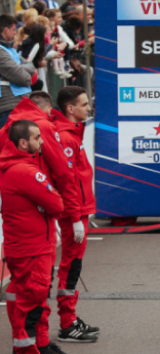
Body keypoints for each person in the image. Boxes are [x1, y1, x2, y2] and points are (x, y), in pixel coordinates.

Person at [0, 119, 67, 354]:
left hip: (26, 247)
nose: (42, 141)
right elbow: (57, 205)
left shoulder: (14, 166)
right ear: (22, 142)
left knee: (28, 301)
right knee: (31, 305)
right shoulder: (24, 171)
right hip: (32, 249)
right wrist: (45, 204)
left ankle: (40, 344)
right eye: (37, 138)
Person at [51, 87, 99, 342]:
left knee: (72, 266)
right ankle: (67, 324)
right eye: (84, 104)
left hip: (78, 211)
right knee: (71, 267)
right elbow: (68, 182)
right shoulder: (66, 137)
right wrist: (75, 217)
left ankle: (69, 318)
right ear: (70, 109)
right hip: (75, 214)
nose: (88, 108)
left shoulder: (72, 132)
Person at [0, 15, 38, 126]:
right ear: (6, 30)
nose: (15, 33)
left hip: (20, 102)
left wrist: (20, 68)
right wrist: (25, 72)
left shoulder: (9, 49)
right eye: (13, 29)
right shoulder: (1, 51)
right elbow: (22, 77)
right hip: (9, 106)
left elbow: (30, 66)